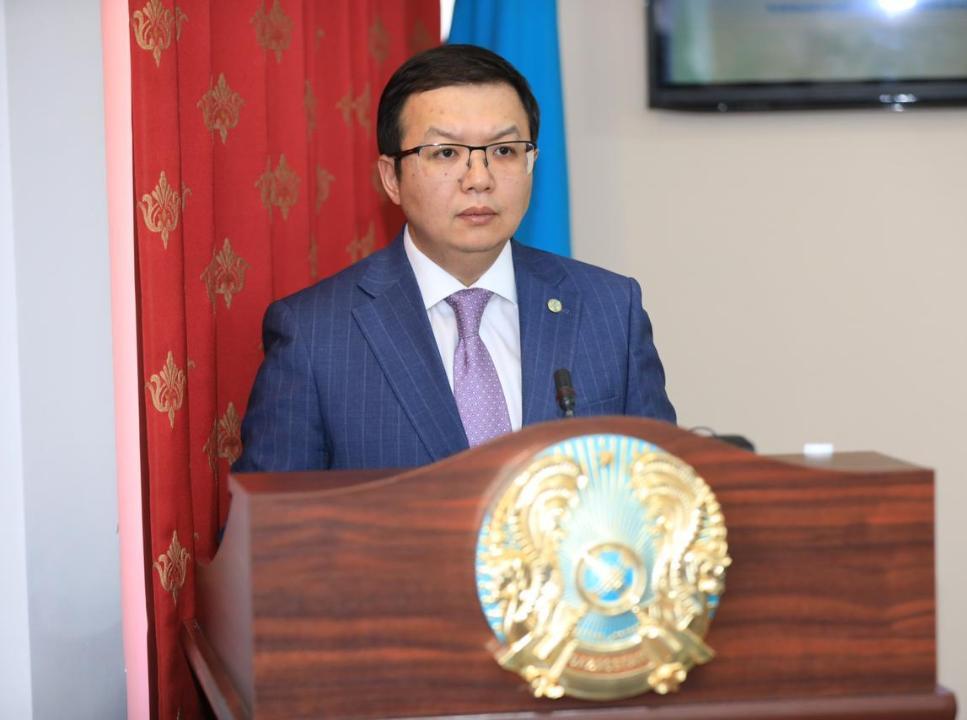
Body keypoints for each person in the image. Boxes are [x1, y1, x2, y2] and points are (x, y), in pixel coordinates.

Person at [234, 44, 674, 472]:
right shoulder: (315, 335)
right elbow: (271, 519)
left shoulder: (610, 310)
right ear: (392, 178)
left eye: (504, 151)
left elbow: (665, 495)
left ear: (532, 163)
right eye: (446, 153)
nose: (479, 179)